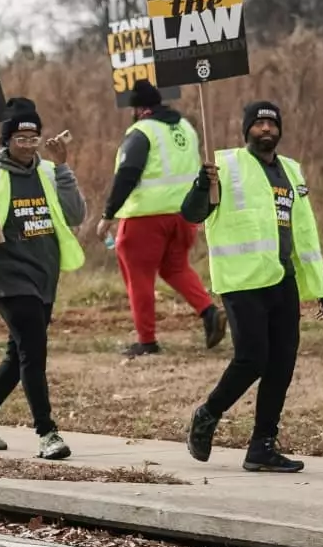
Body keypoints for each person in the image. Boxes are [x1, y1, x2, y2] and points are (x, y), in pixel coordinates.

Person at [179, 101, 323, 473]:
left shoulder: (291, 170)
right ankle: (207, 414)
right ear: (246, 129)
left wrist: (319, 282)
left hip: (283, 278)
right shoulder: (225, 166)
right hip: (242, 278)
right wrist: (203, 185)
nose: (266, 129)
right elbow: (192, 213)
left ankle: (262, 445)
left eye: (272, 124)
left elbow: (304, 228)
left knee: (282, 361)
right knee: (252, 358)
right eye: (259, 123)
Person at [0, 98, 85, 460]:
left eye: (33, 137)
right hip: (7, 278)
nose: (28, 144)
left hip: (44, 276)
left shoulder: (48, 172)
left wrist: (64, 167)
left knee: (18, 354)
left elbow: (76, 215)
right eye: (20, 138)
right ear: (6, 141)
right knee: (34, 352)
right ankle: (47, 433)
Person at [94, 79, 226, 357]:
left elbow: (127, 174)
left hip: (145, 218)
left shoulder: (141, 132)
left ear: (139, 108)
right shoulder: (185, 128)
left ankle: (147, 340)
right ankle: (209, 312)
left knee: (139, 276)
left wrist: (108, 214)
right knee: (175, 268)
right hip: (184, 214)